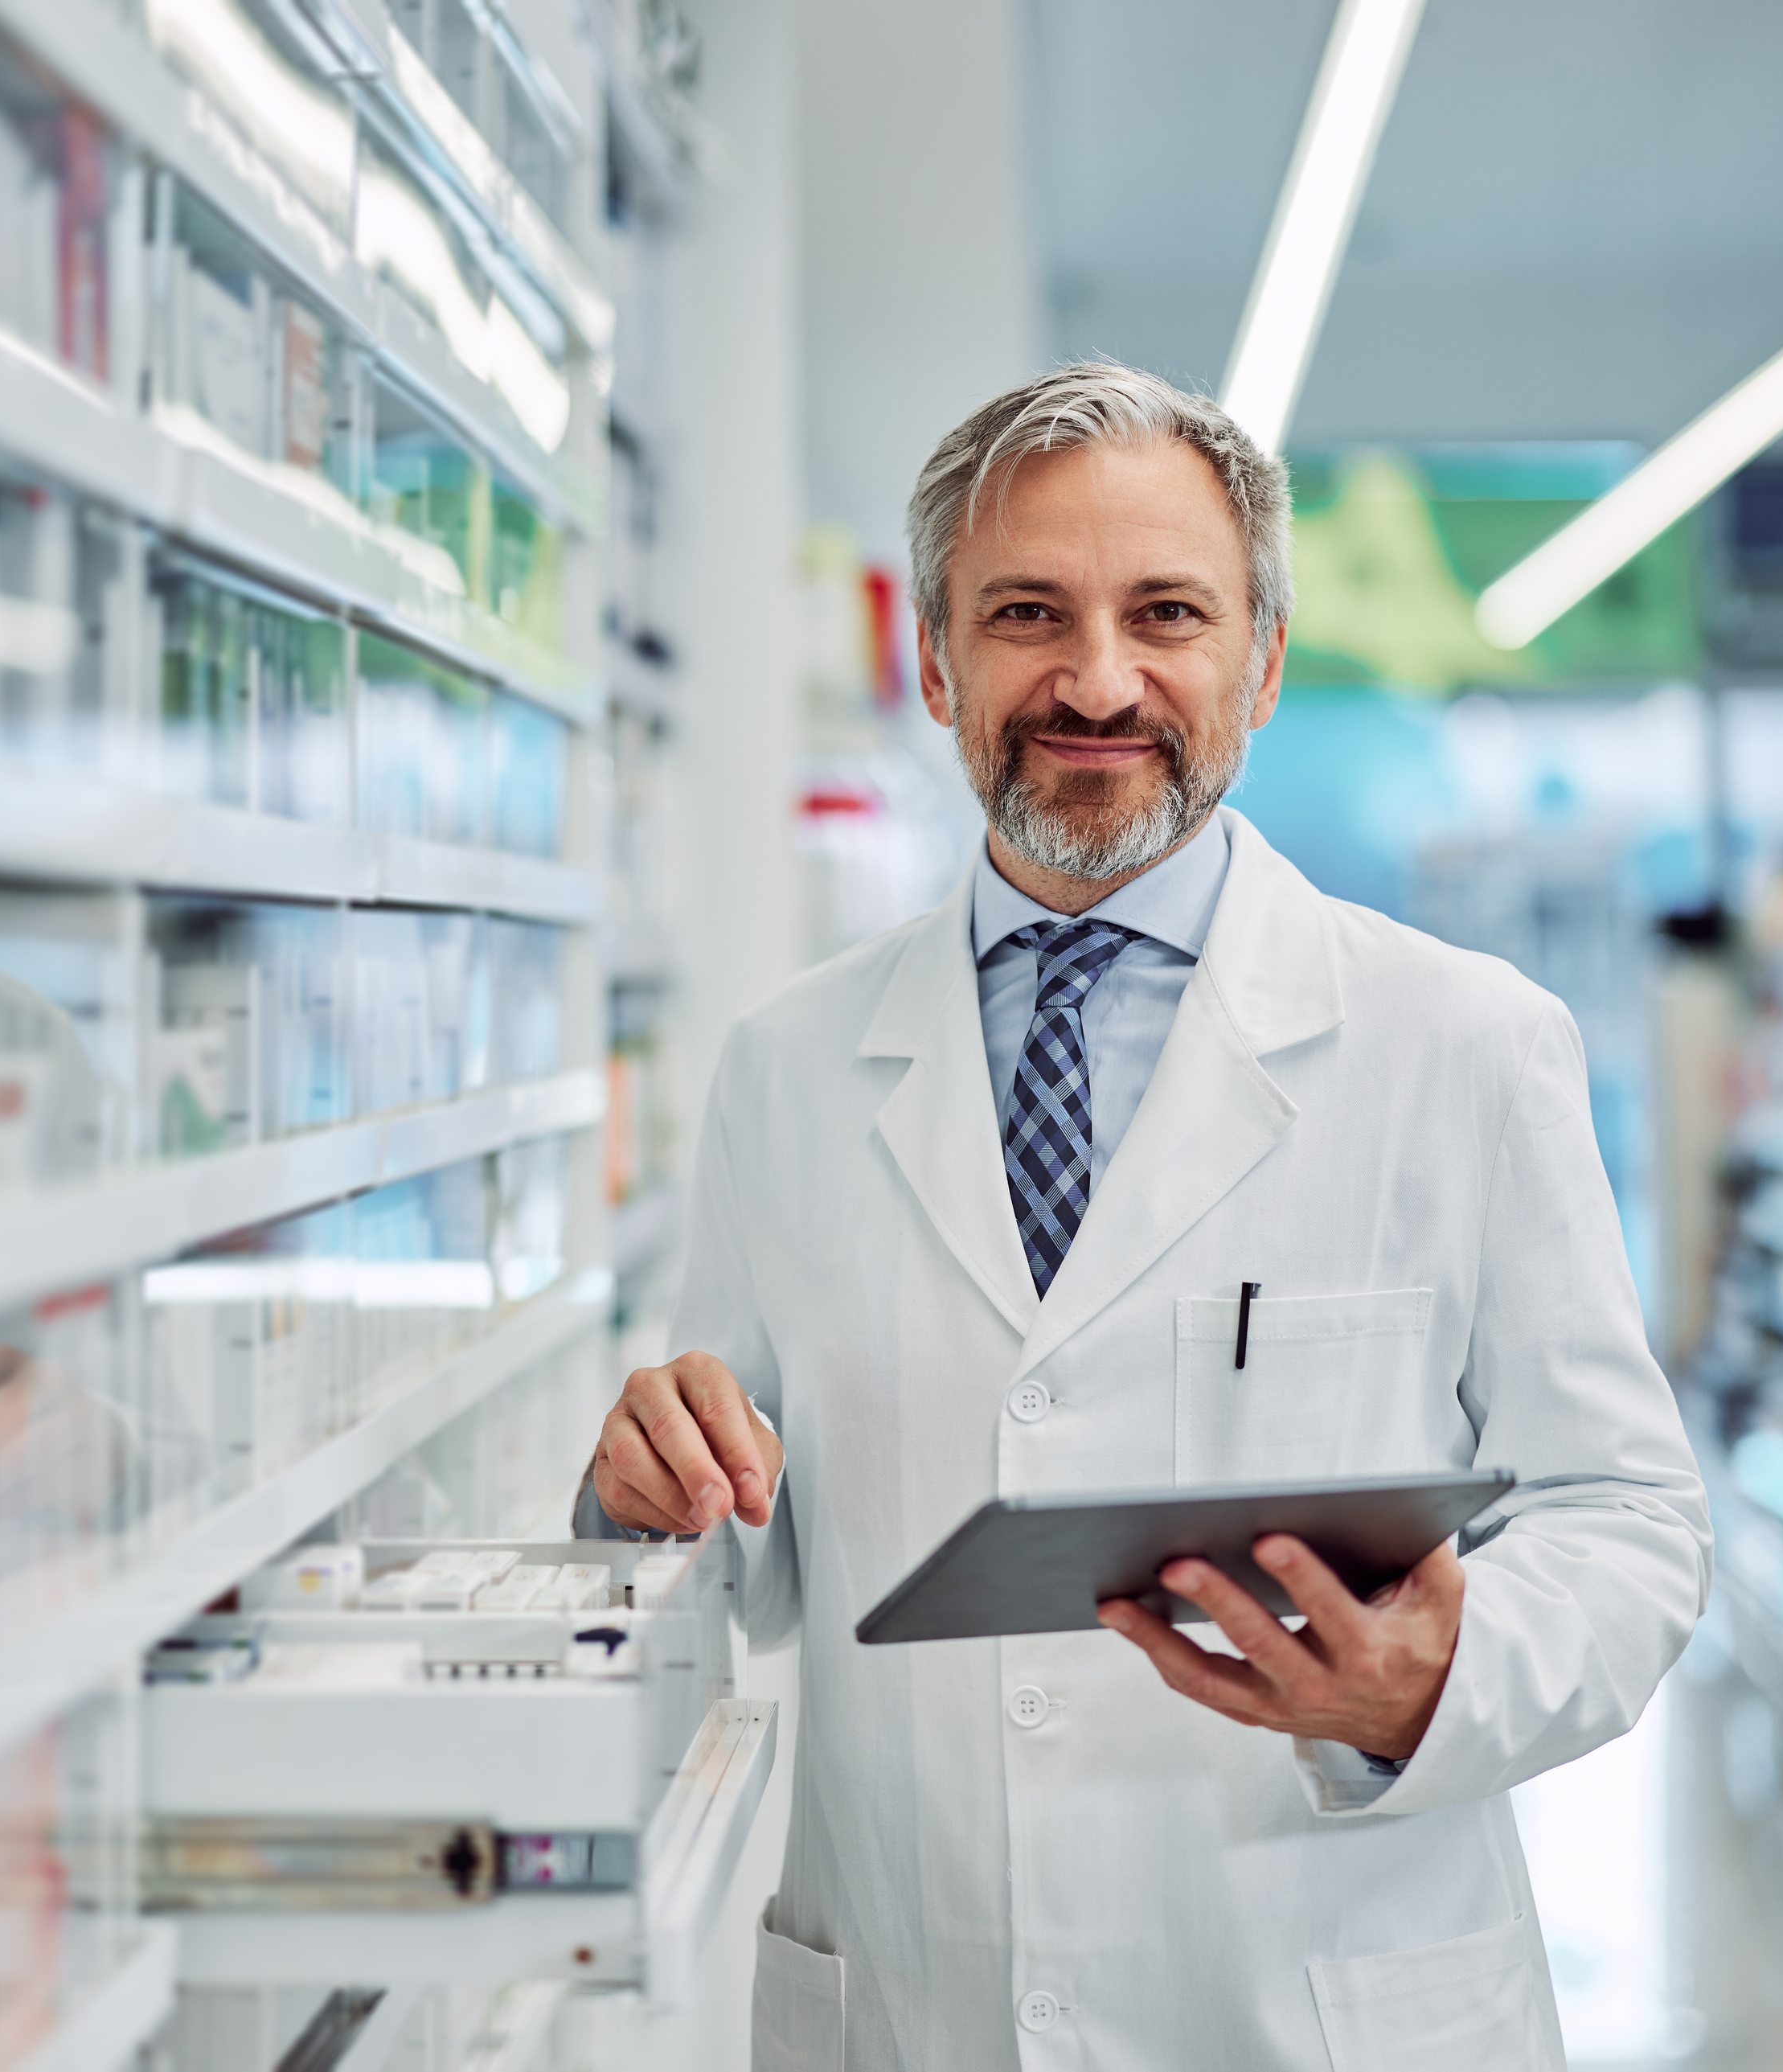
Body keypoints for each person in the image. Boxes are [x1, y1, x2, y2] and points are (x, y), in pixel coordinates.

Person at [580, 361, 1710, 2070]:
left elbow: (1629, 1520)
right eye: (1028, 611)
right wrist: (638, 1498)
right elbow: (734, 1557)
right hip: (913, 1996)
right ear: (938, 662)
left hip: (1318, 2004)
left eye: (1165, 612)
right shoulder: (787, 1070)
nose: (1095, 678)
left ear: (1259, 665)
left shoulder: (1467, 1046)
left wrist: (1426, 1680)